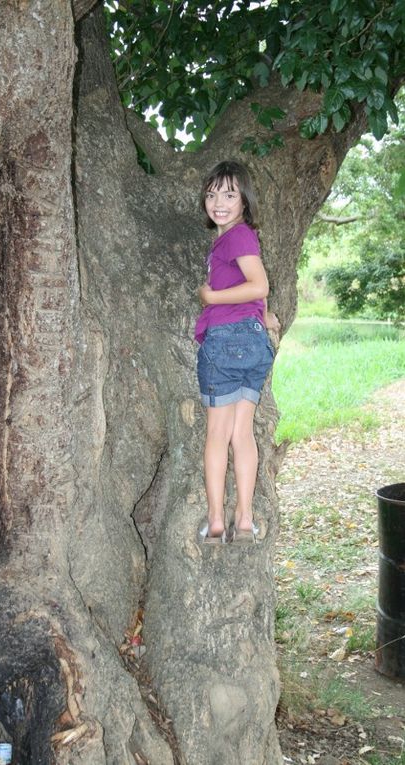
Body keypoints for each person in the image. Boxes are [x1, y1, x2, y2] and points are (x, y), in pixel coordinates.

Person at [195, 160, 279, 544]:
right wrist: (266, 318)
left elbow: (258, 284)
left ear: (245, 200)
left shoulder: (238, 236)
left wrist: (211, 297)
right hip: (252, 341)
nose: (219, 202)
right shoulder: (233, 240)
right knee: (241, 434)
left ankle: (216, 522)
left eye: (229, 194)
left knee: (218, 433)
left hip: (226, 342)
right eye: (212, 194)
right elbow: (254, 295)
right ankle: (243, 521)